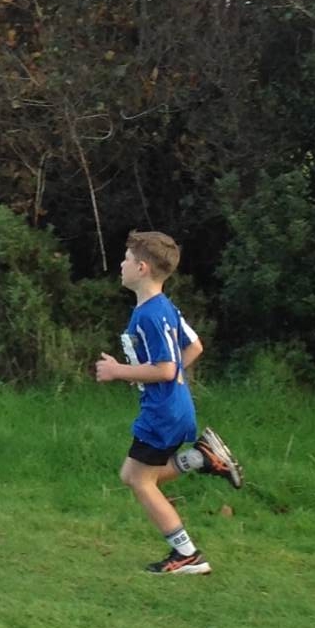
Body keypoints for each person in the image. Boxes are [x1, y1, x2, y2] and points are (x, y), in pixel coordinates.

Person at [94, 230, 242, 575]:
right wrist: (168, 381)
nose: (121, 265)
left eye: (126, 259)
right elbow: (194, 347)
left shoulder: (148, 315)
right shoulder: (164, 307)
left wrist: (119, 371)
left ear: (142, 268)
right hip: (173, 407)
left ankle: (187, 554)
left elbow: (165, 368)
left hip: (162, 413)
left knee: (139, 480)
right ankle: (201, 458)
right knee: (134, 475)